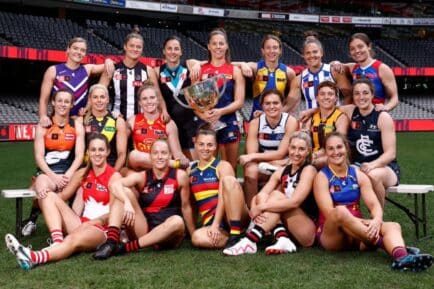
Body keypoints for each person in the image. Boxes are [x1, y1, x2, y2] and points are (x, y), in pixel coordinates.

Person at [314, 132, 432, 272]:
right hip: (333, 236)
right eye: (331, 148)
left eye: (339, 147)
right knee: (340, 211)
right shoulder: (322, 177)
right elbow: (329, 213)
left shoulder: (357, 174)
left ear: (346, 148)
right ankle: (387, 246)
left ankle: (401, 257)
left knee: (393, 226)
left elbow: (374, 204)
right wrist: (366, 226)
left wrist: (376, 220)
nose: (336, 152)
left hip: (358, 234)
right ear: (326, 152)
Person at [5, 133, 121, 270]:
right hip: (80, 222)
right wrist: (42, 193)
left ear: (108, 151)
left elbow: (115, 212)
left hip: (102, 229)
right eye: (93, 149)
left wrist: (92, 222)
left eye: (101, 150)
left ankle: (33, 257)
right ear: (88, 152)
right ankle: (57, 241)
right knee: (47, 196)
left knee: (72, 240)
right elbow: (62, 196)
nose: (97, 153)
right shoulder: (82, 173)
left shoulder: (114, 176)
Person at [92, 139, 193, 260]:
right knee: (123, 192)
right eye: (155, 153)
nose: (159, 157)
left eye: (163, 153)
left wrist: (193, 235)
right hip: (145, 229)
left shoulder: (180, 176)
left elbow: (186, 207)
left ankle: (125, 248)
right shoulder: (143, 176)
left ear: (170, 155)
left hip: (169, 234)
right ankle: (111, 243)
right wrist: (127, 202)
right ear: (150, 156)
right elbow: (114, 185)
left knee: (177, 221)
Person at [224, 131, 318, 256]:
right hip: (289, 226)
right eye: (293, 148)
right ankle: (282, 237)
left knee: (275, 196)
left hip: (307, 231)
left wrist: (261, 208)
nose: (296, 153)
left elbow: (295, 202)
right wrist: (255, 208)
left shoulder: (309, 170)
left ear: (308, 151)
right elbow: (260, 196)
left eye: (301, 149)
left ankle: (250, 241)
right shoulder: (283, 170)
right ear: (288, 148)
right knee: (263, 196)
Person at [22, 89, 85, 236]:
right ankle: (33, 220)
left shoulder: (77, 126)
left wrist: (68, 175)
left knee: (83, 186)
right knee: (42, 184)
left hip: (69, 173)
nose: (63, 104)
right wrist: (53, 176)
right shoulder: (44, 125)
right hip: (48, 173)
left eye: (67, 101)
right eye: (60, 100)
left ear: (72, 104)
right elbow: (39, 157)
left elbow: (79, 156)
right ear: (53, 102)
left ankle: (72, 223)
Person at [338, 78, 400, 208]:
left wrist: (373, 165)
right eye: (357, 93)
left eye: (365, 93)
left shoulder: (382, 117)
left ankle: (378, 218)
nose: (361, 97)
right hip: (358, 166)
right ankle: (350, 217)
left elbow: (390, 154)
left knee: (372, 175)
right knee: (342, 174)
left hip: (385, 168)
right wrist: (310, 111)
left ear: (372, 95)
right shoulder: (350, 111)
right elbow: (327, 107)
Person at [188, 126, 249, 250]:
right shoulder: (190, 171)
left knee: (229, 180)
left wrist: (215, 224)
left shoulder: (222, 165)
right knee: (197, 238)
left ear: (216, 146)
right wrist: (192, 230)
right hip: (213, 223)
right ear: (195, 143)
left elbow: (223, 196)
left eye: (210, 145)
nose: (205, 148)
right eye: (201, 144)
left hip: (233, 216)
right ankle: (235, 238)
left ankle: (236, 233)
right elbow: (191, 204)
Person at [194, 28, 245, 170]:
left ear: (227, 46)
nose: (218, 47)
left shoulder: (235, 71)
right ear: (209, 46)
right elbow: (193, 102)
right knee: (205, 167)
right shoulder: (200, 70)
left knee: (230, 168)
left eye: (221, 43)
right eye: (214, 43)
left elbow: (239, 102)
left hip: (228, 121)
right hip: (206, 121)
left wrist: (220, 112)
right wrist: (204, 115)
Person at [239, 89, 298, 205]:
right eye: (267, 103)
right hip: (269, 163)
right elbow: (252, 153)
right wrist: (273, 162)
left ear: (282, 104)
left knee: (283, 169)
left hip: (286, 163)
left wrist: (276, 161)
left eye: (275, 103)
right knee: (250, 169)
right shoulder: (255, 123)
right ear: (262, 106)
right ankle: (252, 210)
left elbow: (281, 153)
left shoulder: (290, 121)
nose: (271, 106)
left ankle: (277, 212)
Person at [38, 37, 114, 127]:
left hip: (81, 121)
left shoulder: (87, 69)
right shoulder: (53, 70)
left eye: (82, 50)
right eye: (75, 48)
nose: (79, 52)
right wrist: (43, 116)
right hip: (58, 121)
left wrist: (108, 60)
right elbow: (44, 99)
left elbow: (108, 67)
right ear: (68, 49)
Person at [99, 29, 169, 121]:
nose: (135, 49)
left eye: (138, 47)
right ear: (125, 47)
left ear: (142, 49)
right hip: (116, 119)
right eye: (131, 46)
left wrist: (164, 110)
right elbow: (97, 91)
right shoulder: (113, 68)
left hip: (141, 121)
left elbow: (158, 95)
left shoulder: (148, 70)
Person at [155, 36, 201, 160]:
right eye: (169, 48)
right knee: (172, 162)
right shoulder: (156, 71)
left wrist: (197, 64)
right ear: (164, 51)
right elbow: (158, 95)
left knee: (193, 164)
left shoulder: (189, 64)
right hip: (169, 122)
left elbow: (209, 63)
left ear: (181, 51)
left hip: (190, 121)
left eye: (176, 49)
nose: (172, 52)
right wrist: (163, 111)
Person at [127, 82, 189, 170]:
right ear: (140, 103)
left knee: (183, 174)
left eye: (152, 98)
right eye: (144, 99)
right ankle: (173, 164)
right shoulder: (132, 121)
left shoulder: (168, 123)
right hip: (141, 169)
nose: (149, 102)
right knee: (133, 155)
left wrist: (183, 160)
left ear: (158, 100)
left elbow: (177, 154)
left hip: (163, 169)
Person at [286, 31, 352, 114]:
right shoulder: (298, 80)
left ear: (321, 53)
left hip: (334, 123)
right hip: (312, 124)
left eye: (315, 52)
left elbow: (349, 94)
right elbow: (288, 105)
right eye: (308, 53)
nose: (312, 56)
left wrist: (342, 114)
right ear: (303, 55)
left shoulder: (334, 72)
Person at [234, 34, 296, 119]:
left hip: (278, 121)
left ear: (280, 50)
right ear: (263, 50)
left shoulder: (289, 73)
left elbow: (293, 99)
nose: (271, 51)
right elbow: (227, 65)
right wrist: (242, 64)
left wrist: (277, 113)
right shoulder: (256, 68)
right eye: (268, 47)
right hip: (256, 119)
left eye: (275, 47)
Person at [334, 33, 399, 112]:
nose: (357, 51)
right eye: (352, 49)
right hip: (356, 116)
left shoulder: (382, 68)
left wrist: (385, 108)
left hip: (375, 115)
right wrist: (336, 62)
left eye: (360, 46)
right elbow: (331, 65)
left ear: (369, 46)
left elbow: (395, 98)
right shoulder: (352, 67)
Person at [305, 81, 349, 168]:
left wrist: (314, 156)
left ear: (336, 98)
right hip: (313, 156)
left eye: (330, 94)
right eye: (322, 94)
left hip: (333, 156)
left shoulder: (341, 118)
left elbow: (337, 144)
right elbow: (303, 140)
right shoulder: (311, 118)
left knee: (311, 163)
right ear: (317, 98)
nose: (326, 97)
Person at [83, 84, 127, 171]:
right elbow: (79, 154)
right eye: (95, 97)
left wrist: (111, 174)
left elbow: (122, 155)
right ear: (90, 100)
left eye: (102, 97)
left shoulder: (117, 121)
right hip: (88, 168)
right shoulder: (83, 121)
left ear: (107, 100)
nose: (99, 100)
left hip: (110, 167)